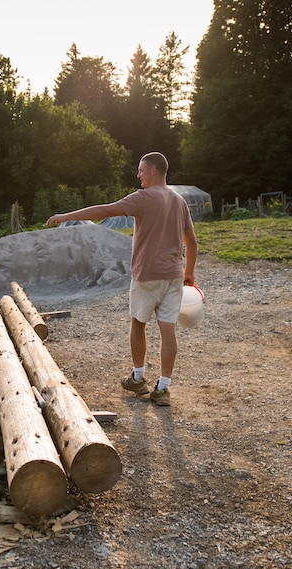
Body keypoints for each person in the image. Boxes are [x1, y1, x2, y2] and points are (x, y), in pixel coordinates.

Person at [46, 152, 198, 406]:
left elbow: (103, 210)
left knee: (138, 323)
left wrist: (66, 216)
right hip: (173, 274)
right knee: (168, 328)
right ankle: (164, 388)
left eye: (141, 170)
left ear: (153, 171)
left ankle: (138, 377)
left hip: (147, 274)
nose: (138, 175)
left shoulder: (143, 198)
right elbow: (191, 242)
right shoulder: (179, 201)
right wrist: (189, 272)